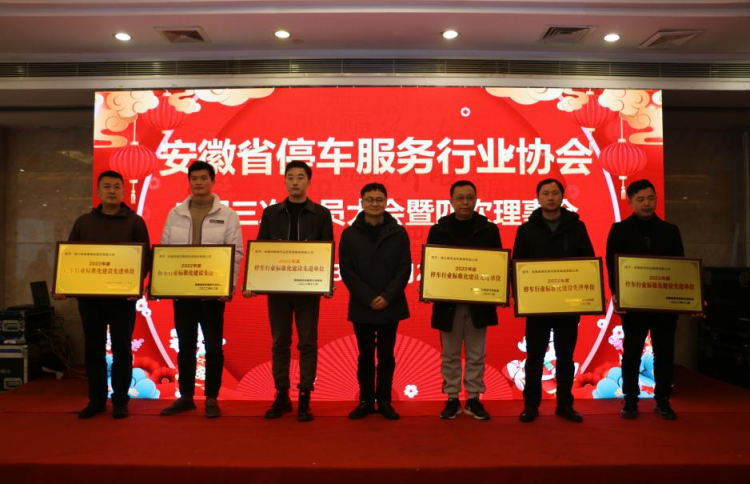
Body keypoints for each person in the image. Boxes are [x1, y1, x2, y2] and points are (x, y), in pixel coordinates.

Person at [56, 170, 150, 420]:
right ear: (98, 192)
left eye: (116, 187)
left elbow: (145, 258)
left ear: (123, 191)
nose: (112, 191)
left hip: (123, 300)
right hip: (90, 299)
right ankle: (96, 400)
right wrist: (63, 285)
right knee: (93, 349)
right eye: (106, 186)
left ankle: (120, 401)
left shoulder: (135, 222)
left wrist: (136, 285)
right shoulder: (83, 222)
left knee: (122, 349)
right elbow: (71, 258)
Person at [248, 160, 333, 422]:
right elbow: (261, 249)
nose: (295, 182)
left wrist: (327, 281)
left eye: (300, 177)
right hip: (278, 291)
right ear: (284, 181)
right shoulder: (271, 213)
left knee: (307, 342)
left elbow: (327, 249)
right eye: (291, 177)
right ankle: (281, 395)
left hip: (308, 290)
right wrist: (253, 281)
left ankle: (305, 396)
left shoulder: (321, 214)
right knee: (280, 342)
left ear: (309, 181)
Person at [159, 161, 243, 419]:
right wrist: (164, 283)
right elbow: (165, 251)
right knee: (185, 346)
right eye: (194, 178)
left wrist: (227, 286)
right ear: (189, 181)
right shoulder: (175, 214)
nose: (198, 182)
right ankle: (185, 397)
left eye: (204, 178)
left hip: (212, 293)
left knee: (213, 347)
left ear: (212, 181)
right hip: (183, 291)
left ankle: (211, 398)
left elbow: (236, 253)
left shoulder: (228, 215)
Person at [513, 178, 594, 423]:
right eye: (545, 193)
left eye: (555, 193)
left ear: (562, 196)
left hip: (568, 304)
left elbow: (588, 262)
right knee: (534, 357)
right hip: (537, 305)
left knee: (566, 357)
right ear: (538, 198)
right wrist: (519, 296)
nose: (550, 198)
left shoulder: (576, 227)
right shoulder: (526, 230)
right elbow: (517, 265)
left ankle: (565, 405)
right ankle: (531, 406)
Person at [606, 179, 685, 420]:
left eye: (650, 198)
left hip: (664, 303)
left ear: (656, 200)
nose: (646, 204)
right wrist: (617, 294)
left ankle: (663, 400)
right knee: (632, 352)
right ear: (630, 202)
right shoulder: (619, 230)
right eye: (640, 199)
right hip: (634, 304)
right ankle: (630, 400)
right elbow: (612, 266)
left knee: (664, 353)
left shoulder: (670, 230)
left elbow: (680, 266)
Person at [426, 180, 502, 420]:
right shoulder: (438, 230)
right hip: (447, 304)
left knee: (476, 354)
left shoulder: (489, 230)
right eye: (460, 198)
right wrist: (429, 287)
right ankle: (451, 397)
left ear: (476, 200)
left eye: (470, 197)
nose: (465, 202)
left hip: (479, 304)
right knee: (449, 354)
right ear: (451, 201)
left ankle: (473, 398)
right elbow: (431, 265)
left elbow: (497, 267)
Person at [339, 183, 411, 420]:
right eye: (370, 199)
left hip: (391, 304)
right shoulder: (349, 234)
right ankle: (366, 401)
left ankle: (385, 401)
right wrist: (368, 297)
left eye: (379, 199)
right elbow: (347, 270)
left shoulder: (398, 232)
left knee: (387, 356)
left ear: (386, 202)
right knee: (365, 356)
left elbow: (404, 268)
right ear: (361, 203)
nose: (374, 203)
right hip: (363, 305)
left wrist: (387, 296)